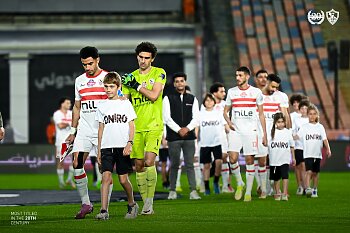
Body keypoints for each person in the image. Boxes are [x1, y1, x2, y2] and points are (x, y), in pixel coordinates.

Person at [65, 46, 112, 219]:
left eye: (90, 64)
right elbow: (77, 107)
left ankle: (104, 207)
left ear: (98, 60)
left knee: (103, 166)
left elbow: (116, 103)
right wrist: (73, 131)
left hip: (103, 128)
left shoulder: (108, 78)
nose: (87, 68)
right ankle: (86, 204)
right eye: (84, 64)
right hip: (85, 127)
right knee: (77, 162)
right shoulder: (79, 80)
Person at [121, 42, 167, 214]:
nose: (143, 60)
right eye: (140, 57)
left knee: (149, 161)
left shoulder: (159, 72)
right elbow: (124, 103)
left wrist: (137, 86)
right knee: (139, 166)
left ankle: (149, 203)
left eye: (147, 58)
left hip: (154, 125)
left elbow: (155, 96)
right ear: (137, 57)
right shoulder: (129, 78)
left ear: (152, 59)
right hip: (136, 127)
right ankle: (145, 202)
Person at [95, 72, 138, 220]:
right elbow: (101, 128)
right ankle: (103, 211)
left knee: (123, 180)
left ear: (118, 87)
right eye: (106, 86)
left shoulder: (125, 103)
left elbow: (132, 126)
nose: (108, 89)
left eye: (111, 86)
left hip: (122, 147)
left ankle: (132, 204)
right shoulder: (101, 105)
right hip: (107, 146)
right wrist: (99, 149)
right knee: (105, 178)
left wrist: (129, 143)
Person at [223, 66, 267, 202]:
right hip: (236, 131)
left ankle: (248, 191)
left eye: (240, 75)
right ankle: (240, 183)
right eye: (236, 75)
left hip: (250, 131)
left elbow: (261, 114)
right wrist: (229, 122)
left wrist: (264, 134)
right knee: (232, 159)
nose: (237, 78)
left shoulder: (256, 92)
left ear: (247, 77)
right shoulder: (231, 92)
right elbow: (225, 111)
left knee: (249, 160)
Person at [163, 72, 201, 200]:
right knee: (174, 164)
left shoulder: (192, 99)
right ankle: (172, 190)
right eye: (177, 81)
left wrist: (187, 129)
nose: (180, 83)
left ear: (185, 82)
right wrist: (179, 130)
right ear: (174, 84)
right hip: (173, 138)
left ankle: (193, 191)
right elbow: (166, 118)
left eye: (182, 81)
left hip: (189, 137)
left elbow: (197, 118)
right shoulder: (167, 98)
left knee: (190, 165)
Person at [259, 73, 290, 197]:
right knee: (262, 159)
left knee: (274, 160)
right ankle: (263, 186)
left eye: (276, 87)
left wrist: (288, 132)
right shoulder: (258, 94)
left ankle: (271, 187)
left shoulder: (281, 96)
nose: (274, 90)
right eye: (272, 86)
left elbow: (285, 115)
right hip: (261, 131)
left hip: (275, 133)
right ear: (266, 82)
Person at [296, 104, 332, 198]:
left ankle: (315, 189)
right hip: (308, 154)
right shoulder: (304, 127)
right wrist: (287, 134)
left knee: (316, 173)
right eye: (310, 114)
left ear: (317, 115)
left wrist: (328, 149)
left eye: (314, 114)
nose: (312, 116)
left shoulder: (320, 127)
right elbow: (297, 136)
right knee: (309, 171)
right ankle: (308, 188)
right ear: (308, 115)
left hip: (317, 154)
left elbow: (324, 139)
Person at [199, 93, 227, 195]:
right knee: (206, 165)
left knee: (218, 162)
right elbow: (197, 127)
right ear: (204, 103)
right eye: (207, 100)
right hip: (205, 143)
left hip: (217, 142)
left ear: (214, 102)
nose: (209, 102)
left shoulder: (218, 113)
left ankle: (216, 181)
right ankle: (206, 187)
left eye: (211, 100)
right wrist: (196, 139)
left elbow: (225, 126)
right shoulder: (200, 114)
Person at [209, 82, 234, 193]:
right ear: (214, 93)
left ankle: (226, 185)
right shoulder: (208, 104)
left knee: (225, 157)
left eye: (224, 91)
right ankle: (206, 183)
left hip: (224, 135)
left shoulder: (225, 104)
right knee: (210, 162)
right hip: (211, 136)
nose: (224, 93)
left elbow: (228, 118)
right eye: (221, 91)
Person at [268, 112, 296, 201]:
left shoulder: (287, 132)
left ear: (285, 122)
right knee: (276, 178)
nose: (281, 124)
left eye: (282, 122)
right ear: (275, 123)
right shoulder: (271, 133)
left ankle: (284, 193)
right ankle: (277, 192)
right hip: (274, 159)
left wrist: (293, 157)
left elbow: (292, 146)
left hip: (285, 159)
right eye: (278, 122)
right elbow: (267, 146)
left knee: (285, 176)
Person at [53, 97, 75, 188]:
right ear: (62, 104)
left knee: (74, 161)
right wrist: (69, 124)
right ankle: (61, 181)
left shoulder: (71, 113)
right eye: (67, 103)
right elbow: (60, 125)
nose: (69, 105)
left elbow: (77, 123)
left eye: (70, 103)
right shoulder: (57, 114)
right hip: (61, 141)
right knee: (60, 162)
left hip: (71, 140)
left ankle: (70, 179)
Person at [292, 99, 310, 195]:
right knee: (299, 166)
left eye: (305, 108)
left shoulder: (310, 120)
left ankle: (306, 186)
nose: (303, 110)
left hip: (308, 146)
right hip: (298, 146)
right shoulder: (296, 120)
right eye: (302, 108)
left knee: (305, 167)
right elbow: (293, 132)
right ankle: (300, 186)